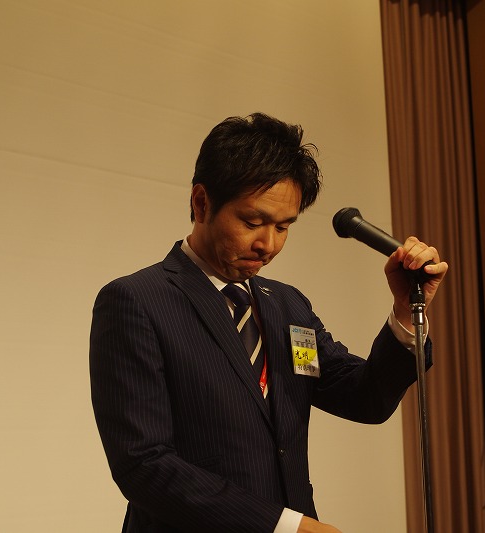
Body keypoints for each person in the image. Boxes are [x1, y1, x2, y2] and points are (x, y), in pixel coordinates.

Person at [89, 112, 447, 533]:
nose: (268, 245)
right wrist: (286, 527)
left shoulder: (287, 307)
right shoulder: (137, 301)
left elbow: (365, 399)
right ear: (201, 203)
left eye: (283, 227)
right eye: (253, 222)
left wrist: (405, 310)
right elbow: (143, 465)